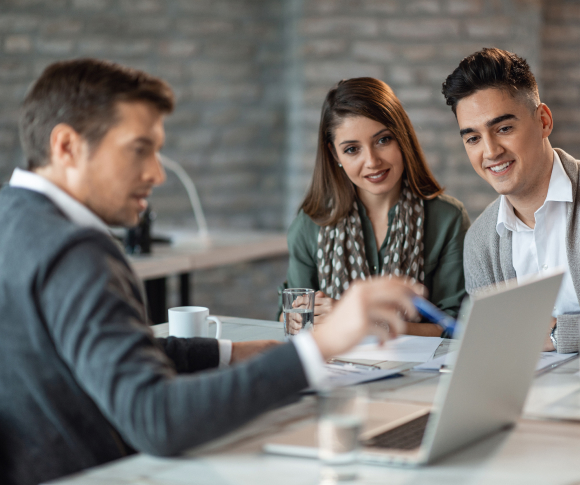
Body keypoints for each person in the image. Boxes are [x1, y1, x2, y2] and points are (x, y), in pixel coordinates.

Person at [0, 59, 424, 485]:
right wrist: (318, 346)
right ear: (67, 146)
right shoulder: (76, 250)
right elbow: (158, 419)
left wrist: (228, 353)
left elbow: (108, 353)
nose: (157, 173)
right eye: (139, 149)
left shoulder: (13, 218)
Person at [281, 77, 470, 337]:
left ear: (402, 137)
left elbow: (454, 326)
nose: (372, 161)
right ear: (334, 155)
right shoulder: (310, 223)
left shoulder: (447, 219)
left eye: (383, 140)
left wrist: (364, 320)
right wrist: (294, 318)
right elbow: (290, 310)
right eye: (351, 149)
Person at [442, 47, 579, 353]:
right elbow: (493, 343)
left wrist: (559, 334)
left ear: (543, 121)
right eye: (473, 138)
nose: (490, 152)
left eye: (504, 128)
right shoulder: (480, 242)